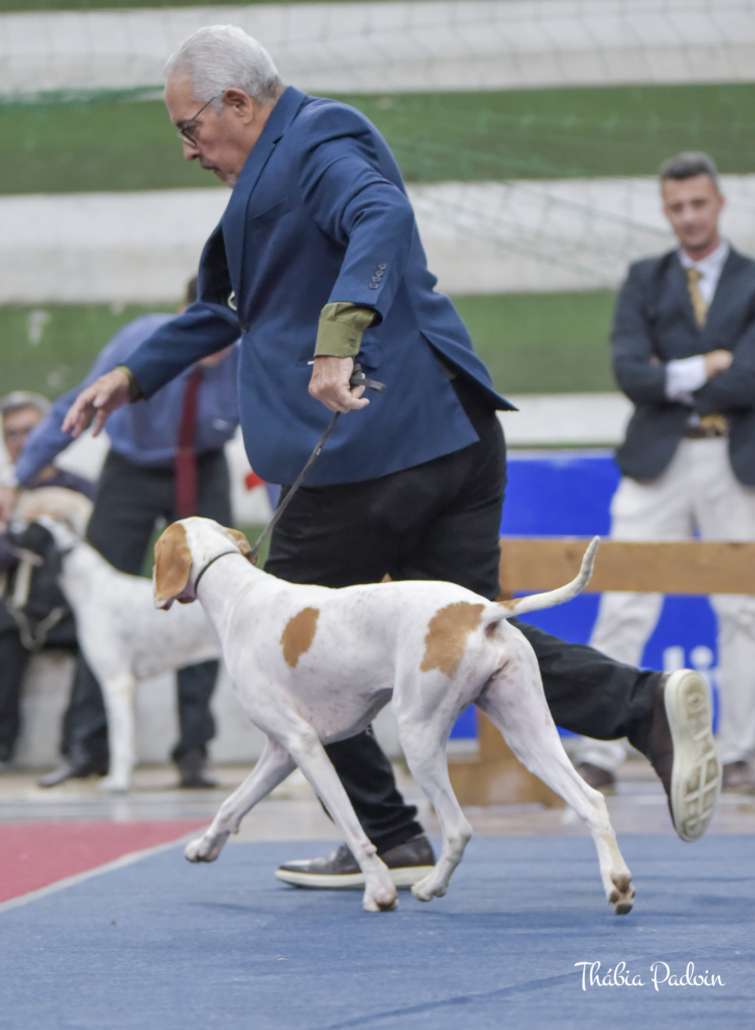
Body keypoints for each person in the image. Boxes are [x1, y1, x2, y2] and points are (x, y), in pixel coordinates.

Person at [63, 26, 721, 888]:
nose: (188, 149)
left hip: (366, 450)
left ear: (238, 103)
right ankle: (644, 708)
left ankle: (388, 834)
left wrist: (338, 336)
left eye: (190, 128)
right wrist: (132, 374)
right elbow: (226, 307)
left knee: (283, 655)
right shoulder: (266, 175)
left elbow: (381, 216)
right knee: (474, 637)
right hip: (445, 438)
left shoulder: (316, 141)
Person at [1, 279, 239, 788]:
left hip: (203, 466)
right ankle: (85, 748)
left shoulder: (246, 354)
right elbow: (77, 404)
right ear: (186, 314)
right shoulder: (139, 339)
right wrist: (18, 480)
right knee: (96, 603)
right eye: (208, 323)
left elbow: (279, 428)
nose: (218, 340)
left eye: (229, 327)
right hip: (132, 467)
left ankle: (193, 753)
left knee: (212, 598)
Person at [571, 151, 755, 796]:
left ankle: (743, 753)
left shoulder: (752, 279)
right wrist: (709, 365)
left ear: (719, 203)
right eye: (677, 207)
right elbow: (631, 374)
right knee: (624, 599)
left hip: (737, 459)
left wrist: (670, 374)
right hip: (657, 460)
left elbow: (751, 376)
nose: (689, 216)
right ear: (665, 210)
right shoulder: (644, 279)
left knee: (744, 607)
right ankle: (598, 754)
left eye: (698, 203)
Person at [0, 392, 96, 768]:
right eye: (12, 433)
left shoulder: (83, 489)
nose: (22, 441)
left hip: (74, 607)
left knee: (101, 641)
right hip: (19, 610)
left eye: (30, 430)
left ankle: (80, 751)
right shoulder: (5, 498)